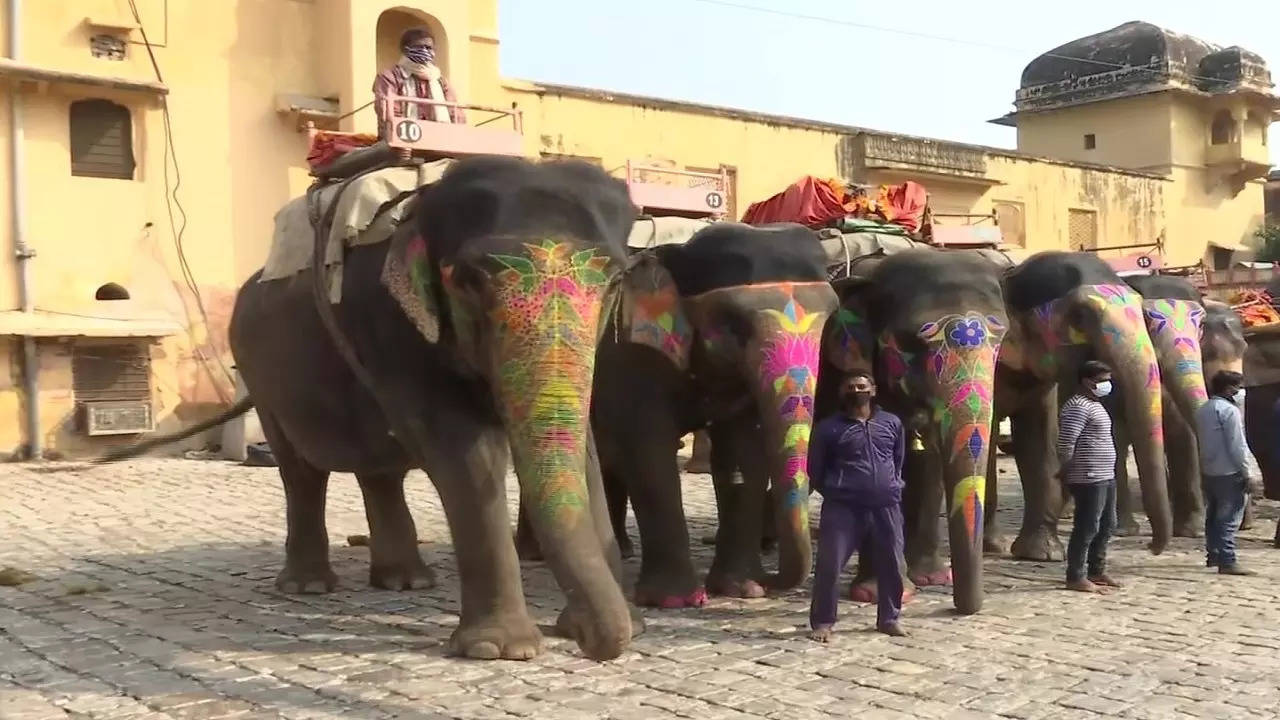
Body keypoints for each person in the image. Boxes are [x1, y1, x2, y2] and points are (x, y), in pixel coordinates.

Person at [807, 370, 906, 641]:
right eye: (850, 386)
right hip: (843, 508)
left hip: (886, 505)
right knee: (829, 566)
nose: (856, 390)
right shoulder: (828, 428)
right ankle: (823, 622)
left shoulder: (892, 423)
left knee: (893, 564)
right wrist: (839, 490)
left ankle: (889, 618)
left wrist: (892, 486)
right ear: (842, 392)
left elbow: (898, 460)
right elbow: (815, 470)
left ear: (873, 390)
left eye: (862, 386)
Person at [1057, 360, 1120, 593]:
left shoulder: (1095, 404)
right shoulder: (1077, 406)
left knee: (1107, 524)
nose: (1107, 385)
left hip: (1105, 474)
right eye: (1103, 380)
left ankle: (1097, 568)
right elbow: (1066, 443)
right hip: (1088, 475)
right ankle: (1076, 575)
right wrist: (1065, 469)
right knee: (1087, 526)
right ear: (1087, 381)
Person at [1194, 370, 1256, 575]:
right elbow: (1237, 445)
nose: (1240, 392)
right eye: (1238, 387)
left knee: (1213, 515)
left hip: (1210, 470)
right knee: (1229, 518)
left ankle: (1213, 554)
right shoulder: (1229, 411)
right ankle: (1227, 560)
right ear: (1229, 388)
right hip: (1230, 471)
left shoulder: (1204, 409)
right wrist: (1248, 473)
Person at [372, 28, 465, 159]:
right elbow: (387, 111)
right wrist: (406, 134)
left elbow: (455, 112)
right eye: (420, 47)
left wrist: (457, 136)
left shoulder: (440, 80)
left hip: (440, 140)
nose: (426, 52)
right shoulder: (390, 77)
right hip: (403, 140)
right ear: (406, 49)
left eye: (429, 48)